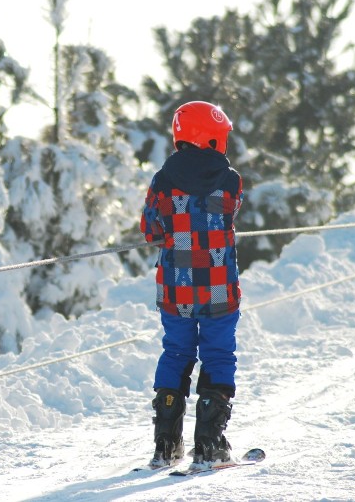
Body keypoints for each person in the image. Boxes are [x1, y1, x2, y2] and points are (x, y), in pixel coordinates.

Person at [140, 100, 243, 469]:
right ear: (213, 137)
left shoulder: (163, 180)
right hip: (219, 289)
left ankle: (165, 444)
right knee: (217, 355)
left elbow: (150, 230)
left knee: (176, 353)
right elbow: (229, 213)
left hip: (176, 290)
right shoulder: (230, 179)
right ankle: (209, 444)